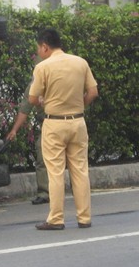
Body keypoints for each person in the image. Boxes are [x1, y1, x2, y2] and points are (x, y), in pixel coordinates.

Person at [28, 28, 98, 230]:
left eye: (39, 49)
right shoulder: (80, 62)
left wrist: (44, 102)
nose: (39, 52)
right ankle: (84, 218)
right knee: (80, 171)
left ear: (44, 46)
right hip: (78, 121)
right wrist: (78, 106)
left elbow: (32, 98)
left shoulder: (43, 67)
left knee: (56, 173)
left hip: (54, 123)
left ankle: (56, 219)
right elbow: (93, 92)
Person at [6, 82, 50, 205]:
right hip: (48, 123)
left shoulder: (61, 77)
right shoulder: (34, 85)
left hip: (66, 120)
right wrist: (14, 130)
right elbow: (25, 108)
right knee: (42, 157)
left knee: (73, 160)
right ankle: (44, 193)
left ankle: (78, 191)